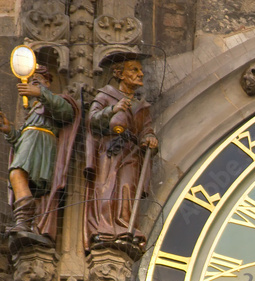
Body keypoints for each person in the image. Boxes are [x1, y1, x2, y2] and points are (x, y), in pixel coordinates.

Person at [84, 52, 158, 254]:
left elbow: (146, 128)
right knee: (107, 187)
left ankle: (125, 227)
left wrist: (149, 137)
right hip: (110, 149)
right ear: (119, 73)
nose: (141, 74)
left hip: (131, 151)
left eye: (140, 70)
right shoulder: (105, 95)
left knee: (127, 187)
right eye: (134, 70)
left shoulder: (141, 105)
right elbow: (92, 121)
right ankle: (105, 228)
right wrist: (113, 109)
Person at [0, 63, 80, 247]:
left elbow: (66, 113)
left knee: (16, 174)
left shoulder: (54, 100)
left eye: (37, 80)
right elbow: (21, 140)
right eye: (30, 81)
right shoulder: (32, 112)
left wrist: (40, 93)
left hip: (42, 144)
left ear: (47, 82)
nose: (32, 84)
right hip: (30, 144)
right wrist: (10, 131)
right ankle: (23, 222)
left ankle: (23, 222)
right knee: (17, 176)